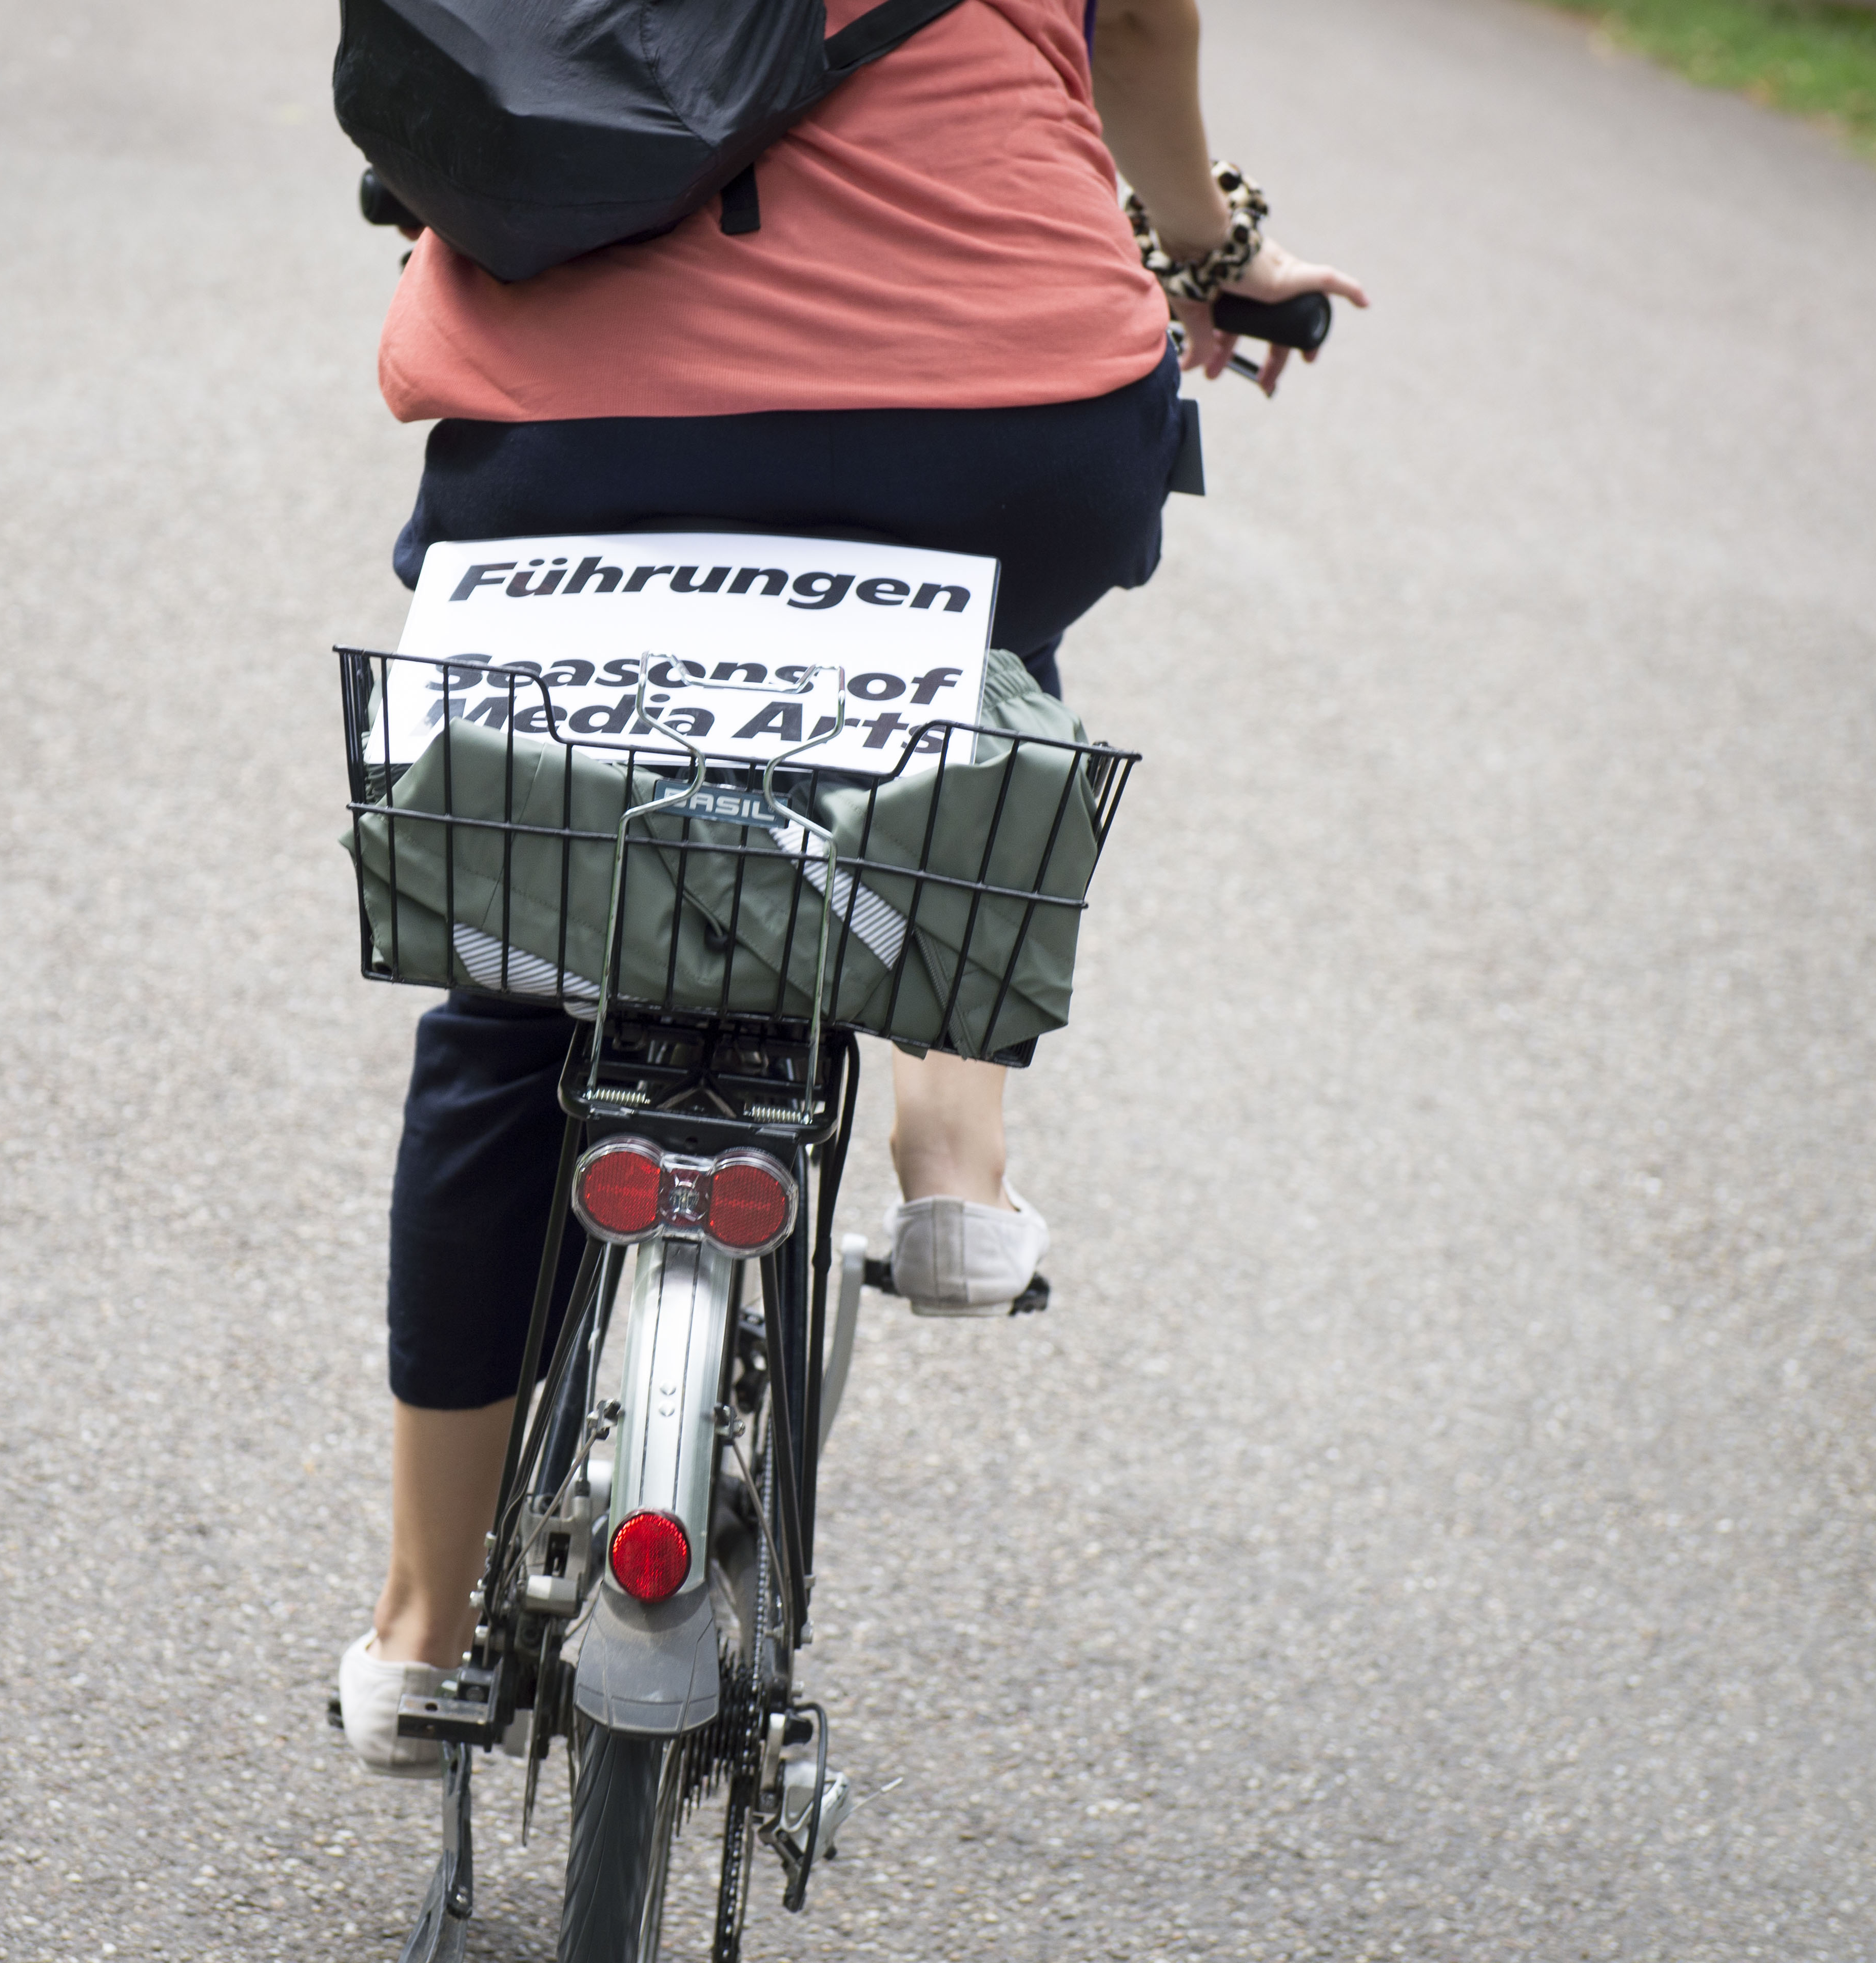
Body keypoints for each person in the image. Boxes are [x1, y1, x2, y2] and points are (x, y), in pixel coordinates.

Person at [335, 0, 1367, 1772]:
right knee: (977, 646)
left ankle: (424, 1628)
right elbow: (1146, 38)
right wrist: (1219, 255)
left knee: (512, 988)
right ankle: (949, 1150)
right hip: (998, 419)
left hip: (585, 427)